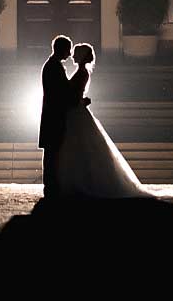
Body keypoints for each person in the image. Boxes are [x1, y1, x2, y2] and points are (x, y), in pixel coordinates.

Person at [47, 43, 149, 200]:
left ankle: (77, 182)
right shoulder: (81, 71)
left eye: (75, 53)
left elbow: (74, 96)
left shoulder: (81, 72)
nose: (71, 55)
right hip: (75, 112)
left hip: (75, 113)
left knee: (76, 148)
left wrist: (79, 101)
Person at [38, 35, 77, 193]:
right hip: (54, 115)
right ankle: (51, 181)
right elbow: (61, 92)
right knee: (53, 150)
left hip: (51, 114)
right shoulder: (54, 67)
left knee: (52, 150)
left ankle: (51, 180)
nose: (69, 54)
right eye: (68, 50)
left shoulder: (52, 65)